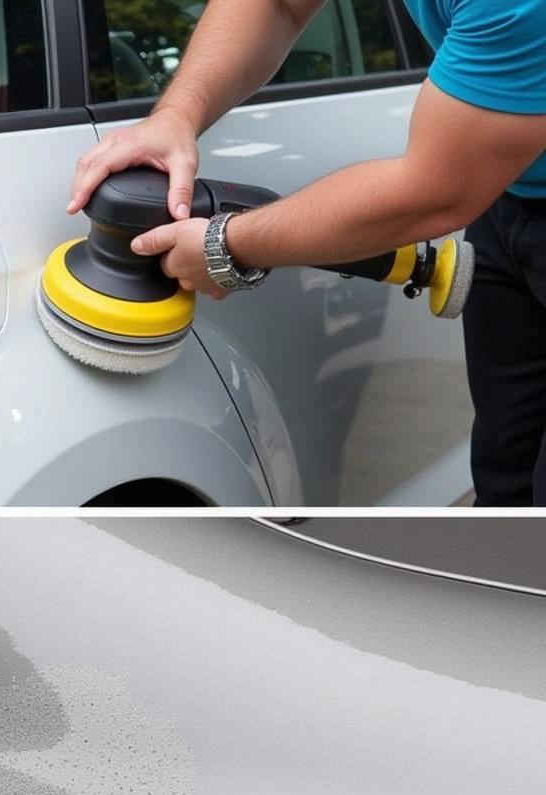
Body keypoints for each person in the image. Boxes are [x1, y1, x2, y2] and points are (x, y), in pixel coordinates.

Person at [68, 0, 546, 506]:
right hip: (510, 198)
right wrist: (176, 116)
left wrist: (227, 244)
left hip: (485, 183)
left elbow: (436, 190)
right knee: (505, 475)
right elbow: (276, 6)